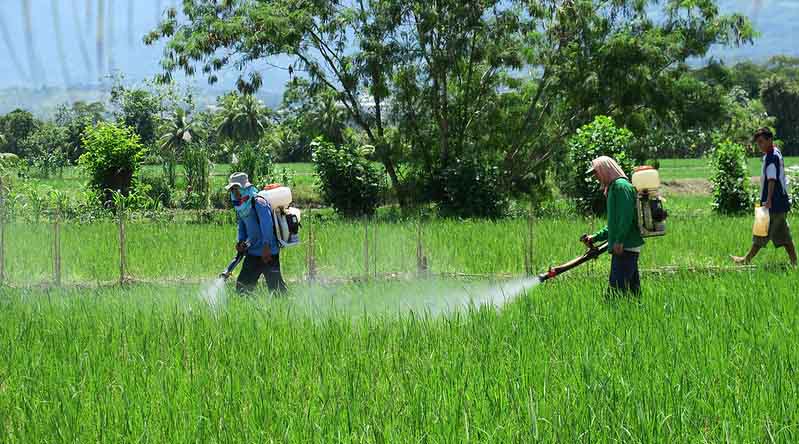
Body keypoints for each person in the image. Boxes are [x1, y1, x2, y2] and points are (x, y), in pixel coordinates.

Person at [732, 128, 797, 266]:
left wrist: (767, 200)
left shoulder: (771, 156)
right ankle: (794, 262)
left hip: (772, 202)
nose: (759, 145)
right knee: (783, 235)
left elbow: (771, 180)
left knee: (760, 232)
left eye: (761, 142)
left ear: (770, 140)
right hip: (780, 203)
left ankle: (745, 260)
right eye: (758, 143)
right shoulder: (775, 152)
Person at [581, 156, 644, 296]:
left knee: (615, 293)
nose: (596, 177)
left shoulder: (620, 186)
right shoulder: (614, 187)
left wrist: (619, 240)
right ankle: (635, 314)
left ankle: (615, 313)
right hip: (626, 244)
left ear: (605, 170)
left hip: (625, 245)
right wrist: (595, 237)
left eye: (596, 172)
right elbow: (614, 224)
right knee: (632, 293)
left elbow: (625, 217)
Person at [226, 172, 288, 294]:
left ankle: (287, 308)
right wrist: (241, 241)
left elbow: (267, 225)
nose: (235, 192)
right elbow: (242, 225)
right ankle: (245, 310)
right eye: (232, 189)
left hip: (268, 253)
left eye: (237, 188)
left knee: (277, 290)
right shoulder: (240, 206)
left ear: (245, 188)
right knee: (242, 288)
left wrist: (266, 246)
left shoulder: (258, 202)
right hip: (253, 251)